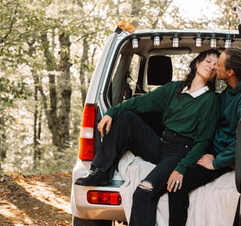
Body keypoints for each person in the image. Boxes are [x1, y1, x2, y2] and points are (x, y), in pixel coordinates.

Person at [75, 49, 221, 225]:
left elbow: (203, 141)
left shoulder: (210, 100)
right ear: (197, 63)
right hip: (162, 145)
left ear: (216, 75)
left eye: (216, 65)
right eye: (208, 61)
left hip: (181, 152)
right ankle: (101, 172)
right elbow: (139, 102)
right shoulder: (174, 88)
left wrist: (182, 168)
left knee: (143, 193)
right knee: (127, 118)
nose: (212, 67)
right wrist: (112, 112)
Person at [167, 47, 241, 226]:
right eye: (211, 63)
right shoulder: (228, 92)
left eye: (218, 64)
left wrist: (217, 162)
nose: (214, 68)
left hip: (223, 155)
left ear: (230, 72)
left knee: (177, 188)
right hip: (210, 147)